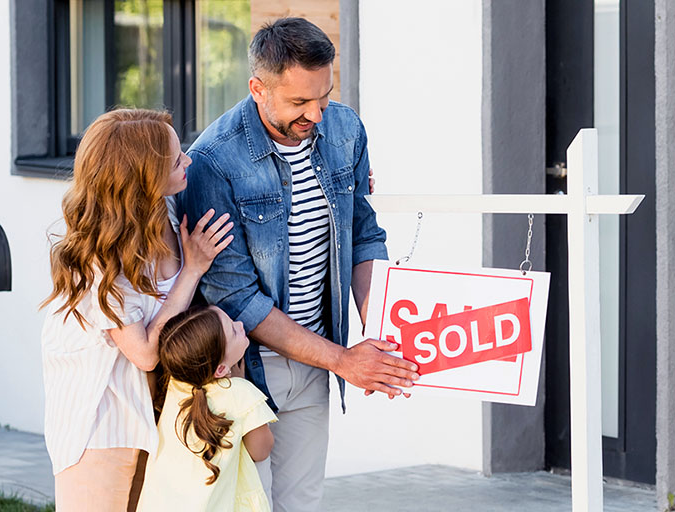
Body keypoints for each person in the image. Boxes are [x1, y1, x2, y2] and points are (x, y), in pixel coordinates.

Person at [177, 17, 420, 511]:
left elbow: (363, 235)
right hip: (242, 367)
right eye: (299, 102)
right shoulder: (214, 161)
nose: (317, 113)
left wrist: (384, 334)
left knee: (302, 503)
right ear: (258, 89)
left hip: (316, 358)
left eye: (324, 97)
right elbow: (237, 297)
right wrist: (346, 362)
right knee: (248, 502)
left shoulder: (345, 129)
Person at [40, 109, 233, 511]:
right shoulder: (96, 257)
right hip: (102, 426)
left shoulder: (166, 211)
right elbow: (143, 352)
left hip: (158, 414)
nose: (188, 162)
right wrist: (192, 269)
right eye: (177, 159)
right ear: (142, 176)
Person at [136, 306, 276, 511]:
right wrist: (239, 383)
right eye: (234, 330)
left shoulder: (176, 384)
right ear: (220, 369)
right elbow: (261, 451)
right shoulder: (240, 392)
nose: (241, 324)